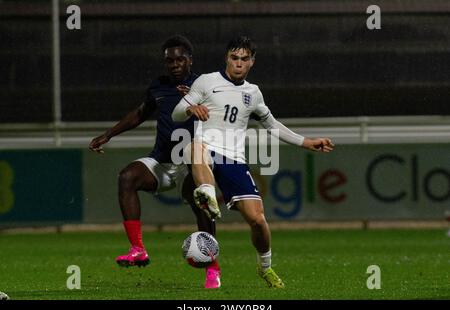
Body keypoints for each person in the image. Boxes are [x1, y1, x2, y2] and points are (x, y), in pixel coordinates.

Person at [172, 36, 334, 288]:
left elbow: (271, 125)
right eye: (234, 58)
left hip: (234, 160)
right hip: (206, 150)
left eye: (244, 59)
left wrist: (306, 141)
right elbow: (177, 111)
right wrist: (191, 109)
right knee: (194, 146)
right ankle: (207, 193)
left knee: (258, 220)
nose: (238, 63)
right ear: (227, 58)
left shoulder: (253, 93)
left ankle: (265, 267)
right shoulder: (206, 81)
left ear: (252, 62)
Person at [88, 35, 221, 289]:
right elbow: (140, 113)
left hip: (192, 163)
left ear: (190, 61)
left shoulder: (204, 85)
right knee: (127, 177)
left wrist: (197, 101)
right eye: (169, 60)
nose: (174, 64)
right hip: (161, 162)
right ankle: (138, 249)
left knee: (200, 202)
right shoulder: (158, 86)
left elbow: (221, 113)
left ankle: (213, 268)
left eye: (180, 59)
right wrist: (108, 135)